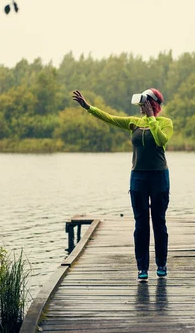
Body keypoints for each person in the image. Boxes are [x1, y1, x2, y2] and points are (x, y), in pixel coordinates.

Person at [72, 89, 173, 282]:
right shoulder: (133, 122)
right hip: (138, 178)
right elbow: (109, 118)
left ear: (153, 104)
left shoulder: (165, 123)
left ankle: (161, 264)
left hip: (159, 177)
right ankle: (142, 268)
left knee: (159, 222)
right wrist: (88, 107)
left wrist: (152, 118)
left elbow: (161, 140)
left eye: (145, 103)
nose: (142, 107)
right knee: (141, 224)